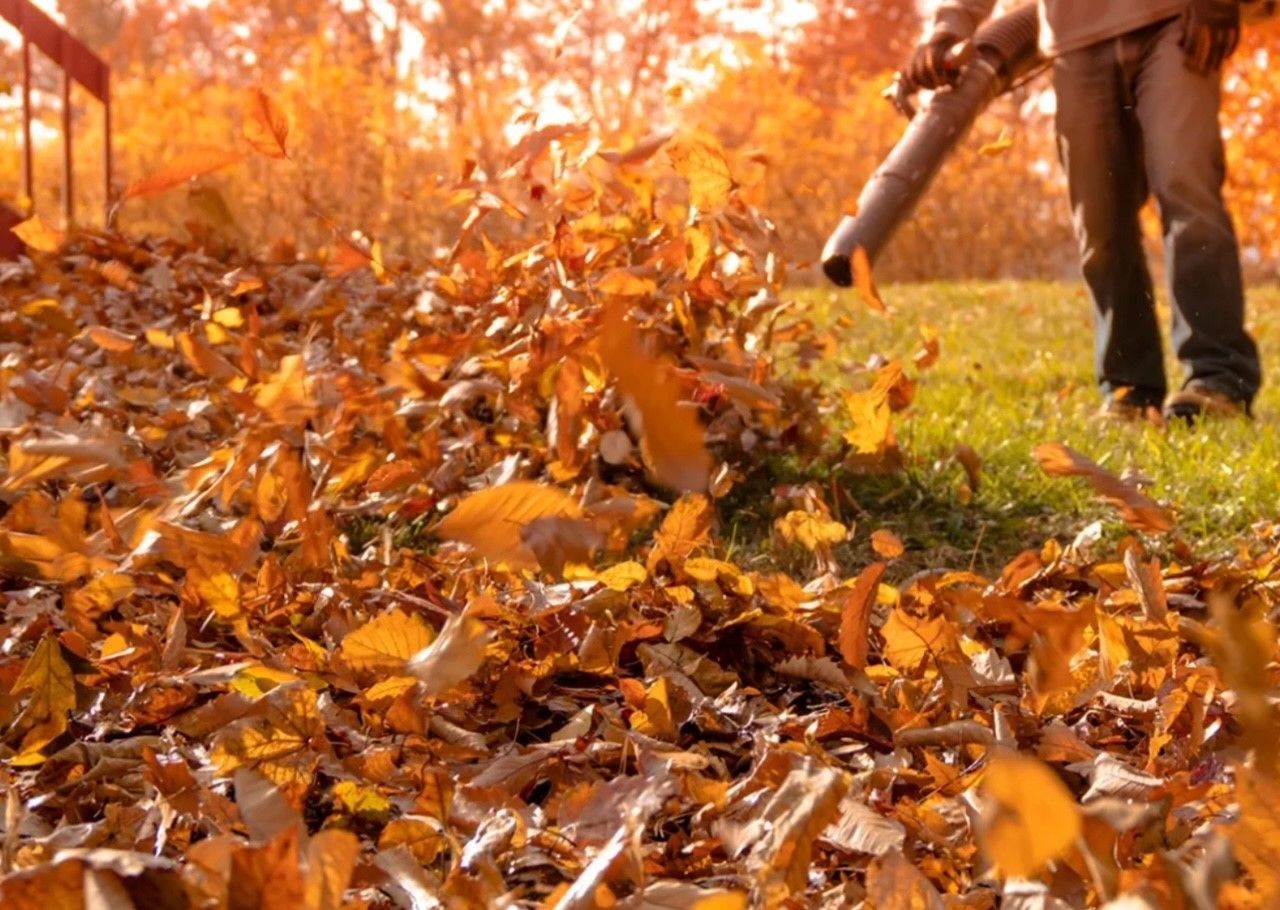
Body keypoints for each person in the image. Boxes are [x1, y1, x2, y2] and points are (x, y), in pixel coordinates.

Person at [908, 0, 1262, 422]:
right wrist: (946, 28)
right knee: (1099, 221)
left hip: (1175, 19)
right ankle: (1130, 390)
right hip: (1075, 40)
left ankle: (1218, 378)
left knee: (1186, 187)